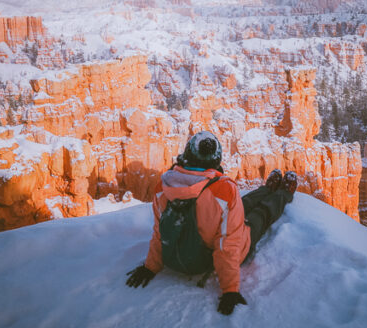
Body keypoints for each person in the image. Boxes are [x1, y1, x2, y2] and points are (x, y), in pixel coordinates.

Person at [125, 131, 297, 315]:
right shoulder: (223, 188)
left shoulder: (163, 186)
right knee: (260, 215)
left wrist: (150, 267)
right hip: (205, 260)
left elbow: (160, 232)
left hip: (176, 258)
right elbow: (228, 244)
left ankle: (265, 189)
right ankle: (283, 193)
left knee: (242, 204)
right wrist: (230, 289)